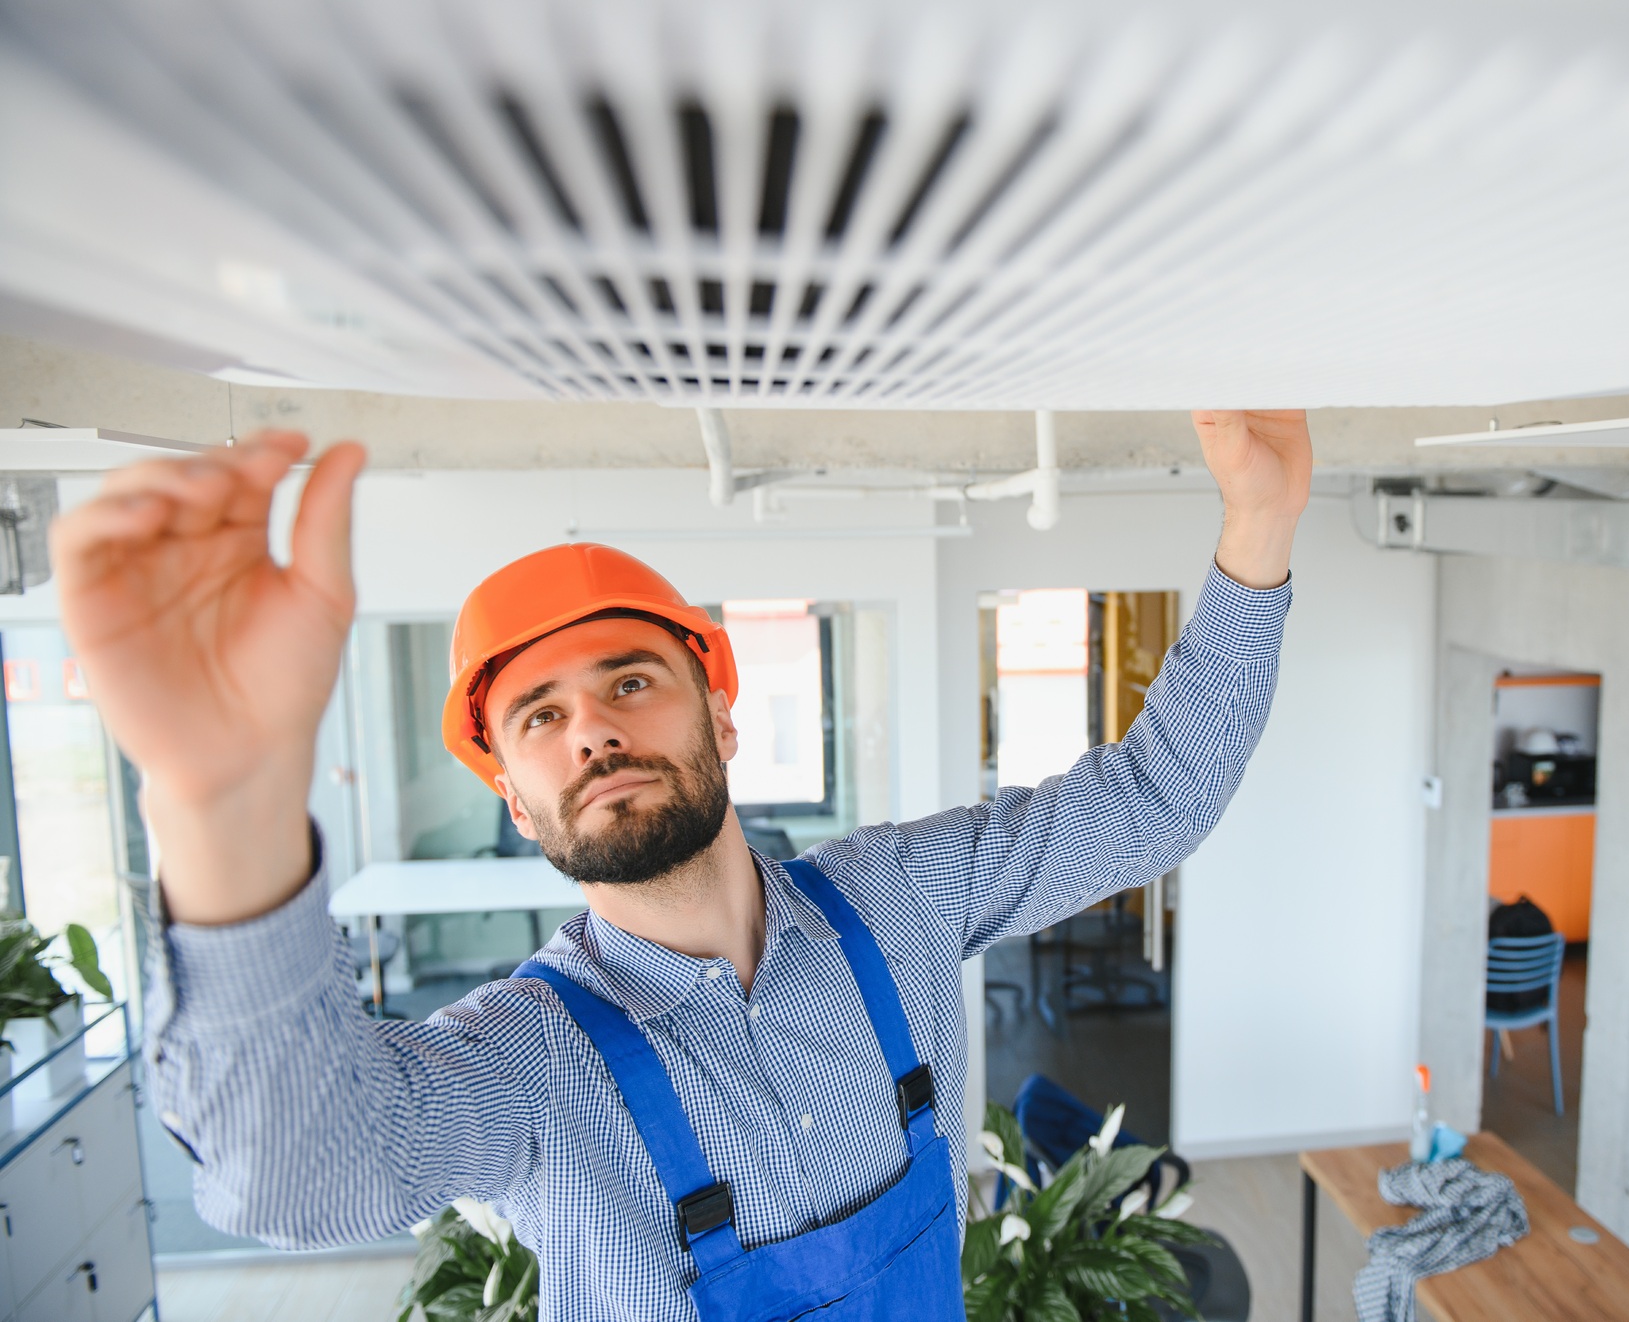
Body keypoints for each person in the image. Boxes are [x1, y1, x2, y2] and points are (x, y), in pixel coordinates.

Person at [51, 410, 1312, 1321]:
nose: (591, 731)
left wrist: (1259, 524)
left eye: (629, 682)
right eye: (539, 715)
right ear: (514, 796)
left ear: (721, 715)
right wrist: (221, 807)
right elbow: (298, 1174)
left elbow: (1151, 801)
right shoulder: (531, 1060)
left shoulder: (900, 899)